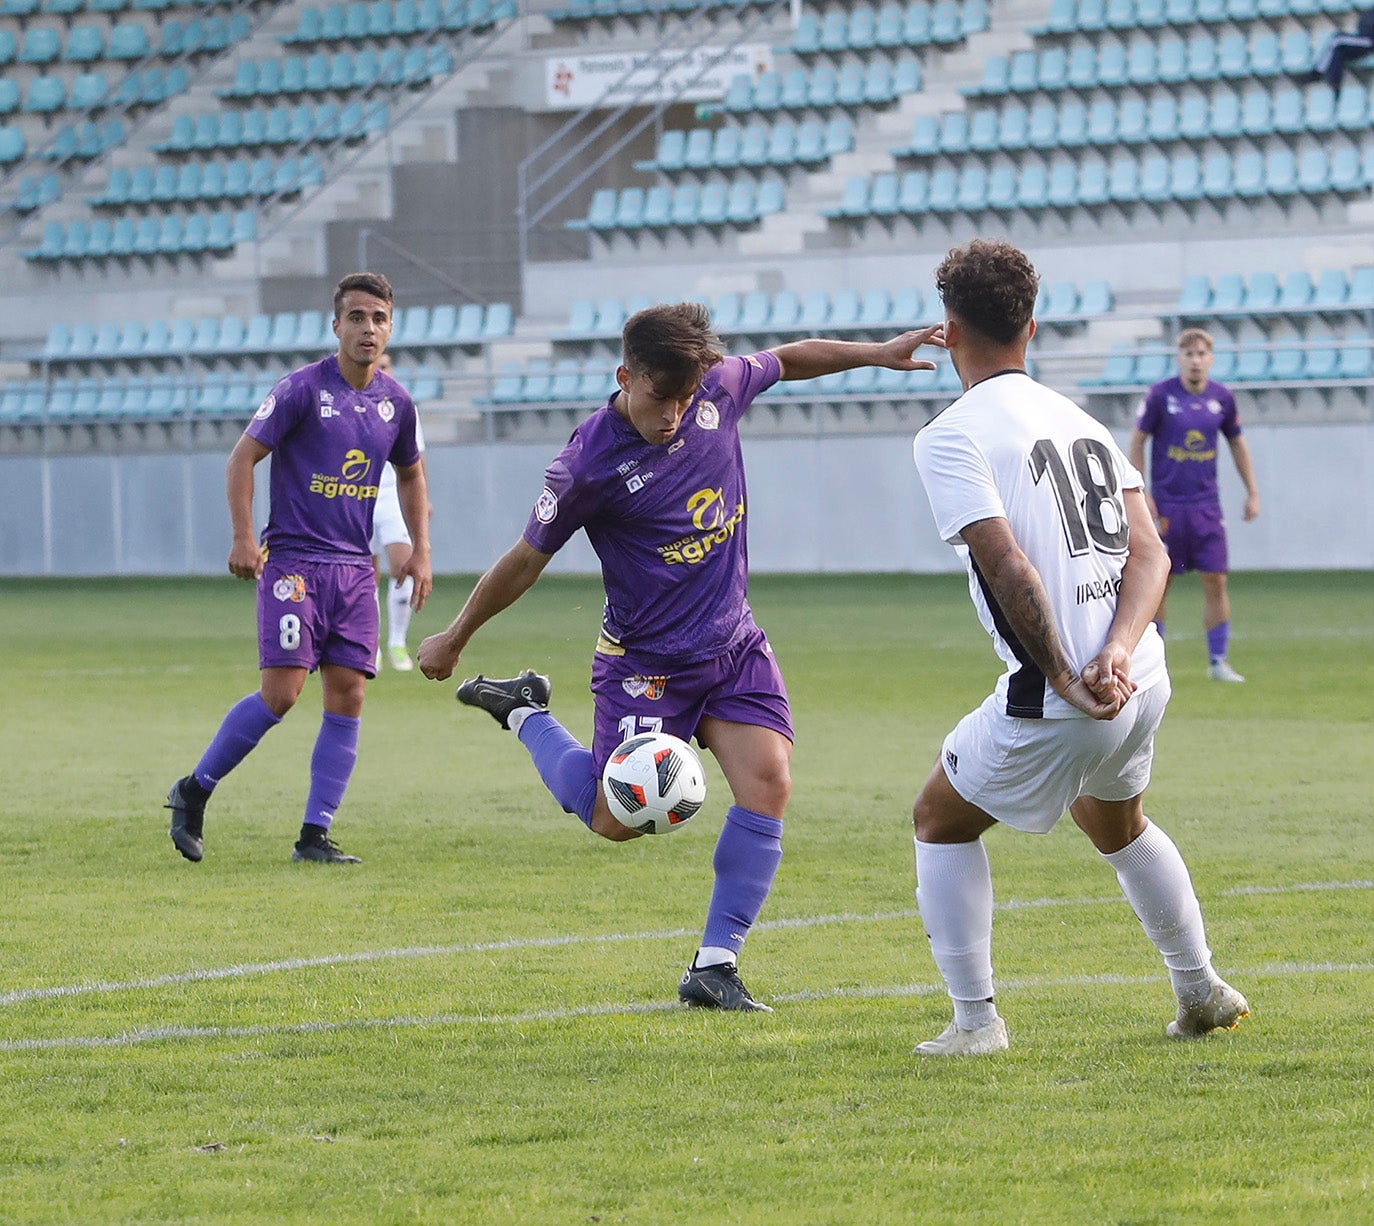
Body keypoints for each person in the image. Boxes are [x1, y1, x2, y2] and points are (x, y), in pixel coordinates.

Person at [418, 302, 942, 1010]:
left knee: (770, 785)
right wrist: (455, 635)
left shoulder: (716, 391)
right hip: (646, 669)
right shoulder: (586, 466)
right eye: (660, 397)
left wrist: (877, 353)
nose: (673, 413)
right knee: (612, 820)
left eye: (685, 397)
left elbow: (787, 359)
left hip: (733, 646)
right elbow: (524, 560)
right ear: (624, 377)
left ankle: (714, 966)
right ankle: (524, 712)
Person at [908, 239, 1248, 1056]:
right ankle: (1200, 990)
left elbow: (1008, 565)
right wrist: (1121, 651)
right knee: (1116, 820)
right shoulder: (1081, 419)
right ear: (1032, 325)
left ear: (947, 331)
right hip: (1144, 676)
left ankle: (975, 1021)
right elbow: (1152, 552)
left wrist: (1066, 673)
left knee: (939, 820)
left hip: (1066, 693)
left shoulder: (949, 437)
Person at [165, 272, 432, 865]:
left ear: (391, 327)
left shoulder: (395, 402)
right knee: (281, 695)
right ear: (335, 325)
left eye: (379, 319)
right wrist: (242, 536)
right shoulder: (301, 390)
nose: (368, 328)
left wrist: (421, 550)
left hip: (354, 571)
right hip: (293, 565)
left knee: (349, 697)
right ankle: (193, 791)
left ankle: (314, 836)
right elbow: (243, 458)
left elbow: (412, 474)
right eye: (357, 318)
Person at [1128, 328, 1260, 683]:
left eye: (1201, 354)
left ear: (1210, 359)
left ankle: (1218, 662)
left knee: (1216, 581)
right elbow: (1137, 442)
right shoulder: (1160, 396)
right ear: (1179, 359)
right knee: (1159, 582)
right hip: (1168, 507)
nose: (1195, 360)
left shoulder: (1223, 398)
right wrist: (1141, 493)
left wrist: (1252, 491)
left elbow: (1237, 444)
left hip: (1206, 507)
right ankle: (1151, 663)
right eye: (1189, 354)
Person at [369, 351, 430, 673]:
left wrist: (425, 499)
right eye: (377, 366)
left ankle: (397, 641)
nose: (382, 371)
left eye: (386, 366)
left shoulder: (403, 405)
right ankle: (370, 645)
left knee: (402, 566)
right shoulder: (354, 403)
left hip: (394, 495)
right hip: (360, 495)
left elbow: (416, 461)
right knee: (365, 575)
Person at [1302, 6, 1374, 92]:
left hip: (1369, 40)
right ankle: (1334, 86)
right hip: (1364, 38)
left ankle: (1317, 72)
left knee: (1337, 39)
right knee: (1338, 52)